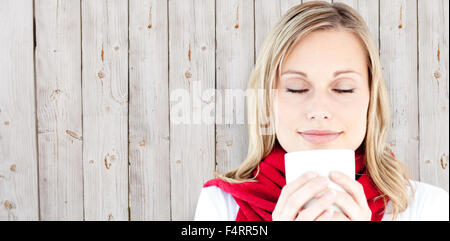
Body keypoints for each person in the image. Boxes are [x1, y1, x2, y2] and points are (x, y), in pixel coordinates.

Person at [194, 1, 449, 221]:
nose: (319, 110)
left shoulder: (426, 207)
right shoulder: (221, 206)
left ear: (371, 100)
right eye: (295, 88)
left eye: (343, 89)